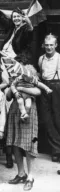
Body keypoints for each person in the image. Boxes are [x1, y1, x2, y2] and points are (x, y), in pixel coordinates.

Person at [6, 63, 41, 191]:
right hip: (15, 112)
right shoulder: (16, 81)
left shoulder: (34, 84)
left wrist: (21, 89)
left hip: (29, 114)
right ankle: (21, 173)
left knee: (28, 144)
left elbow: (38, 91)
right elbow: (8, 97)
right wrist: (13, 85)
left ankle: (30, 177)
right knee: (15, 143)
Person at [38, 34, 60, 162]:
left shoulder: (59, 58)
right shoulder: (41, 59)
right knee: (47, 119)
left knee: (58, 118)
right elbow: (41, 75)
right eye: (47, 45)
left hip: (57, 86)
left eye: (51, 45)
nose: (49, 47)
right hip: (44, 87)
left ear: (56, 45)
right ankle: (56, 149)